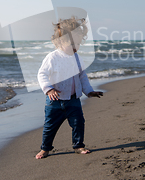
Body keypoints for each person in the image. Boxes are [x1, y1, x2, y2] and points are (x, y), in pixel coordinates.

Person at [36, 17, 103, 159]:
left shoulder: (77, 58)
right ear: (60, 41)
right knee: (50, 127)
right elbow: (42, 74)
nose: (75, 46)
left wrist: (89, 91)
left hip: (73, 100)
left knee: (78, 123)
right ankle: (45, 148)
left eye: (78, 43)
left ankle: (78, 146)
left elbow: (82, 77)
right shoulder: (52, 58)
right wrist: (48, 89)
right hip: (55, 101)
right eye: (71, 43)